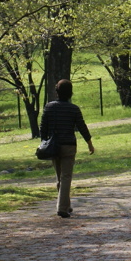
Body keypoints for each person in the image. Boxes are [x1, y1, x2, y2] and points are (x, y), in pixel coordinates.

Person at [40, 79, 95, 218]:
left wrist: (44, 141)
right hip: (69, 146)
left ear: (56, 91)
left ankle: (66, 205)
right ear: (70, 93)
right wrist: (89, 143)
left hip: (54, 146)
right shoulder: (74, 109)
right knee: (66, 177)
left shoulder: (49, 107)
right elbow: (82, 126)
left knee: (60, 177)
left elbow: (43, 127)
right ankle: (62, 208)